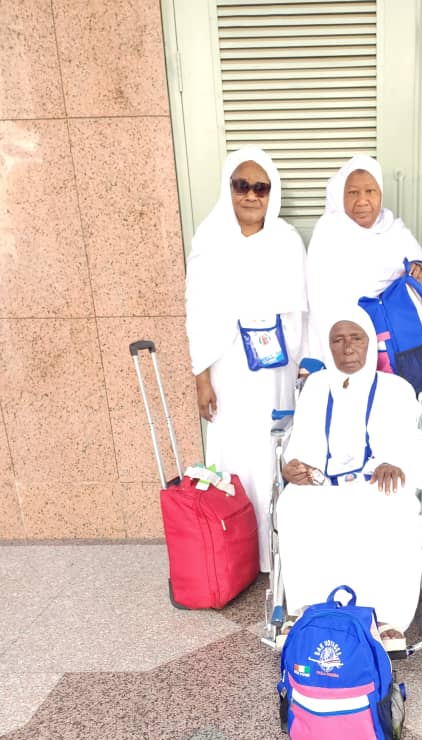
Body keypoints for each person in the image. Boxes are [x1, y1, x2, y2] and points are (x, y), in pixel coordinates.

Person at [277, 306, 422, 647]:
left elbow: (409, 441)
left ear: (370, 343)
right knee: (293, 505)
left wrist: (394, 461)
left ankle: (385, 616)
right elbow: (300, 444)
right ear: (328, 346)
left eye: (356, 338)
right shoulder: (315, 387)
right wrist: (292, 467)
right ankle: (308, 608)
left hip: (375, 483)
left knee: (390, 509)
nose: (347, 348)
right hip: (323, 483)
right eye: (337, 340)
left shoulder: (395, 388)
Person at [185, 146, 307, 572]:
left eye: (261, 187)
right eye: (242, 186)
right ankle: (234, 553)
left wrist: (302, 368)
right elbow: (198, 311)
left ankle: (275, 554)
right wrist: (201, 378)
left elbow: (301, 311)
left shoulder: (287, 241)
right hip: (229, 370)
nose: (251, 196)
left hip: (276, 369)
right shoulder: (210, 240)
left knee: (273, 450)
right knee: (236, 455)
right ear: (229, 188)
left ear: (272, 193)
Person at [306, 155, 422, 359]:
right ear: (341, 195)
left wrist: (418, 271)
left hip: (395, 346)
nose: (362, 200)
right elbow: (318, 300)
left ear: (380, 194)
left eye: (370, 191)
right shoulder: (328, 233)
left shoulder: (394, 230)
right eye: (353, 193)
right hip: (343, 346)